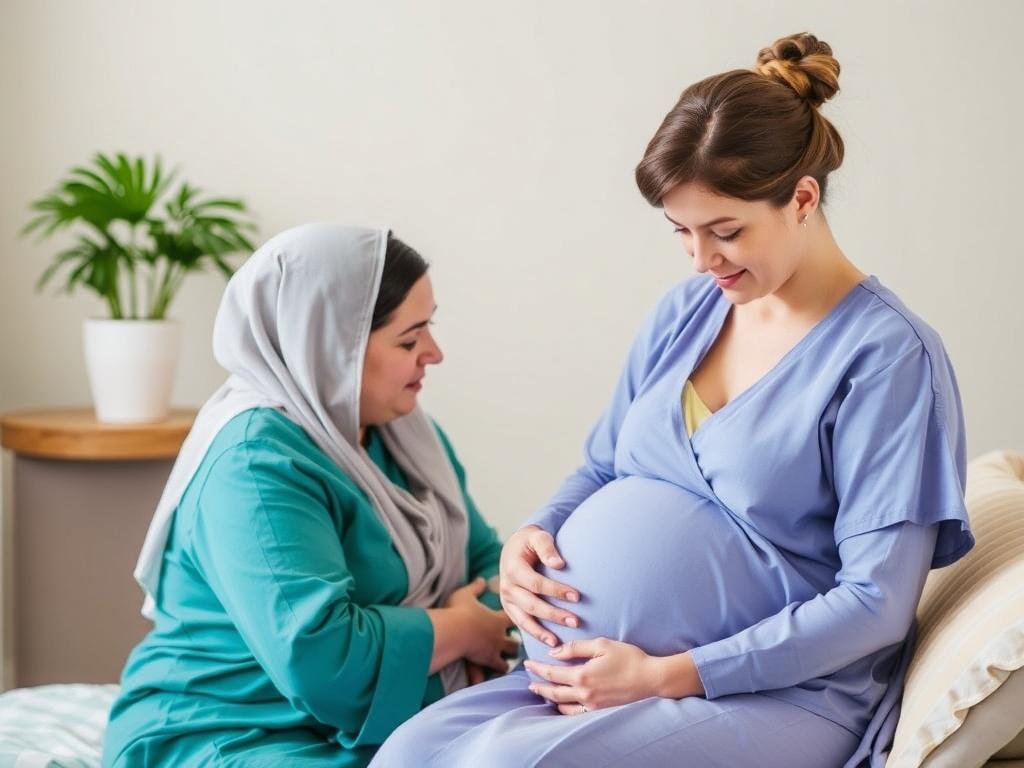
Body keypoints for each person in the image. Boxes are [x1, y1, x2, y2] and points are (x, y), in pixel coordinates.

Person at [371, 32, 973, 768]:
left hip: (781, 695)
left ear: (803, 199)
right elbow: (601, 467)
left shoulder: (887, 359)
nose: (701, 259)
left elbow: (875, 604)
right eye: (681, 232)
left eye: (725, 231)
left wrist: (667, 675)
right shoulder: (686, 311)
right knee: (405, 754)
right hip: (601, 677)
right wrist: (539, 531)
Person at [102, 223, 516, 767]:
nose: (434, 354)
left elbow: (483, 561)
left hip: (380, 719)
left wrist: (480, 626)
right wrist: (463, 630)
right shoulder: (254, 463)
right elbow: (324, 659)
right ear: (331, 348)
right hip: (229, 728)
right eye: (410, 339)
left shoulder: (404, 434)